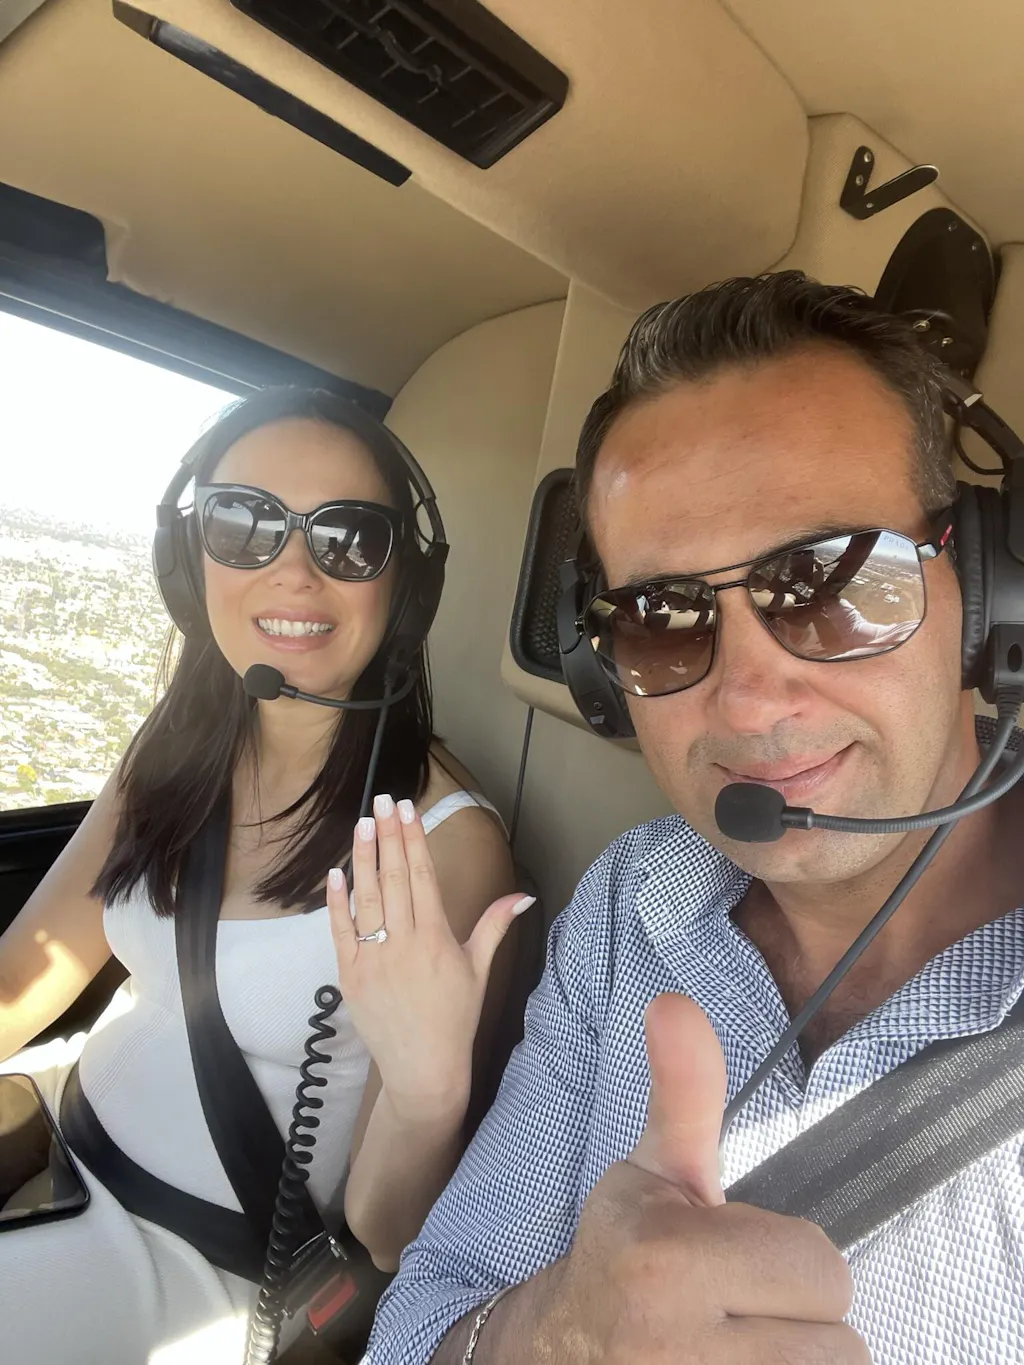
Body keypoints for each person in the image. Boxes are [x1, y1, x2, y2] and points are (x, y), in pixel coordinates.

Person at [366, 273, 1024, 1365]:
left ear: (986, 592)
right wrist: (557, 1333)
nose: (749, 702)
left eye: (830, 580)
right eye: (660, 616)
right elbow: (415, 1327)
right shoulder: (633, 903)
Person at [0, 388, 531, 1364]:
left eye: (348, 539)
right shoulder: (174, 746)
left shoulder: (444, 847)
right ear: (186, 557)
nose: (292, 569)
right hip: (58, 1142)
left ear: (404, 589)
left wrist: (428, 1096)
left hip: (201, 1271)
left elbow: (387, 1234)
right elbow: (22, 976)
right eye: (243, 523)